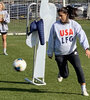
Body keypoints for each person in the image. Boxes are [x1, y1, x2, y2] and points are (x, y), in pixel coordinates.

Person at [47, 6, 90, 96]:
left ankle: (83, 89)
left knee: (79, 69)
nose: (59, 17)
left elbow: (82, 36)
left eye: (61, 15)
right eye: (58, 15)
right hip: (59, 54)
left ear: (66, 14)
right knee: (65, 75)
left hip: (72, 52)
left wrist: (86, 48)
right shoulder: (55, 26)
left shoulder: (74, 24)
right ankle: (61, 73)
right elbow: (51, 40)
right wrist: (50, 52)